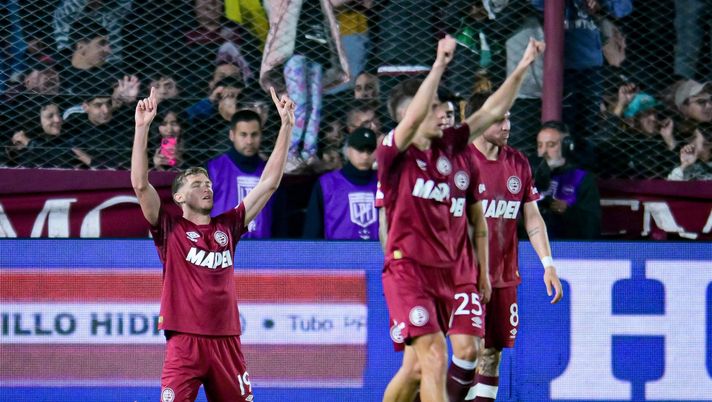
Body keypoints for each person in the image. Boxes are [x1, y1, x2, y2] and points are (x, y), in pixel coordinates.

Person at [378, 35, 545, 402]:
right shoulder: (393, 154)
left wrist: (522, 67)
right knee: (436, 357)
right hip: (409, 271)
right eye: (435, 106)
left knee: (416, 369)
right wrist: (438, 65)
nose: (443, 112)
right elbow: (410, 122)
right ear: (412, 115)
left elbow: (490, 110)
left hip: (450, 272)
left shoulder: (452, 149)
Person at [131, 86, 294, 401]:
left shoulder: (229, 227)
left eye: (207, 183)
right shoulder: (169, 228)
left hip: (227, 343)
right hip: (185, 343)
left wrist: (286, 126)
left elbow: (270, 182)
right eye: (196, 184)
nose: (206, 187)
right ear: (178, 197)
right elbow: (140, 184)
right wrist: (142, 128)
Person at [463, 101, 563, 402]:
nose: (507, 127)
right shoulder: (460, 162)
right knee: (468, 352)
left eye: (508, 119)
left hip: (504, 277)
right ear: (478, 121)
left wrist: (548, 264)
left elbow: (532, 218)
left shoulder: (518, 163)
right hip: (465, 277)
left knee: (492, 353)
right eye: (498, 121)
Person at [206, 109, 273, 238]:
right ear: (232, 135)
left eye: (254, 135)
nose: (249, 141)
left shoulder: (269, 172)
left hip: (264, 251)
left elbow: (279, 217)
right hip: (221, 250)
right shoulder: (213, 169)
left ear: (261, 135)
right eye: (243, 134)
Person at [303, 127, 379, 239]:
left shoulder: (384, 182)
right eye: (360, 150)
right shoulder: (327, 184)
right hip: (337, 254)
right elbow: (312, 231)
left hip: (378, 253)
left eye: (370, 151)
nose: (365, 156)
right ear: (348, 150)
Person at [536, 121, 601, 239]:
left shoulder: (582, 178)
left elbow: (592, 226)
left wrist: (567, 211)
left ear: (567, 146)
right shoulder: (529, 175)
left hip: (568, 245)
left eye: (551, 145)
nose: (543, 152)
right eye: (540, 145)